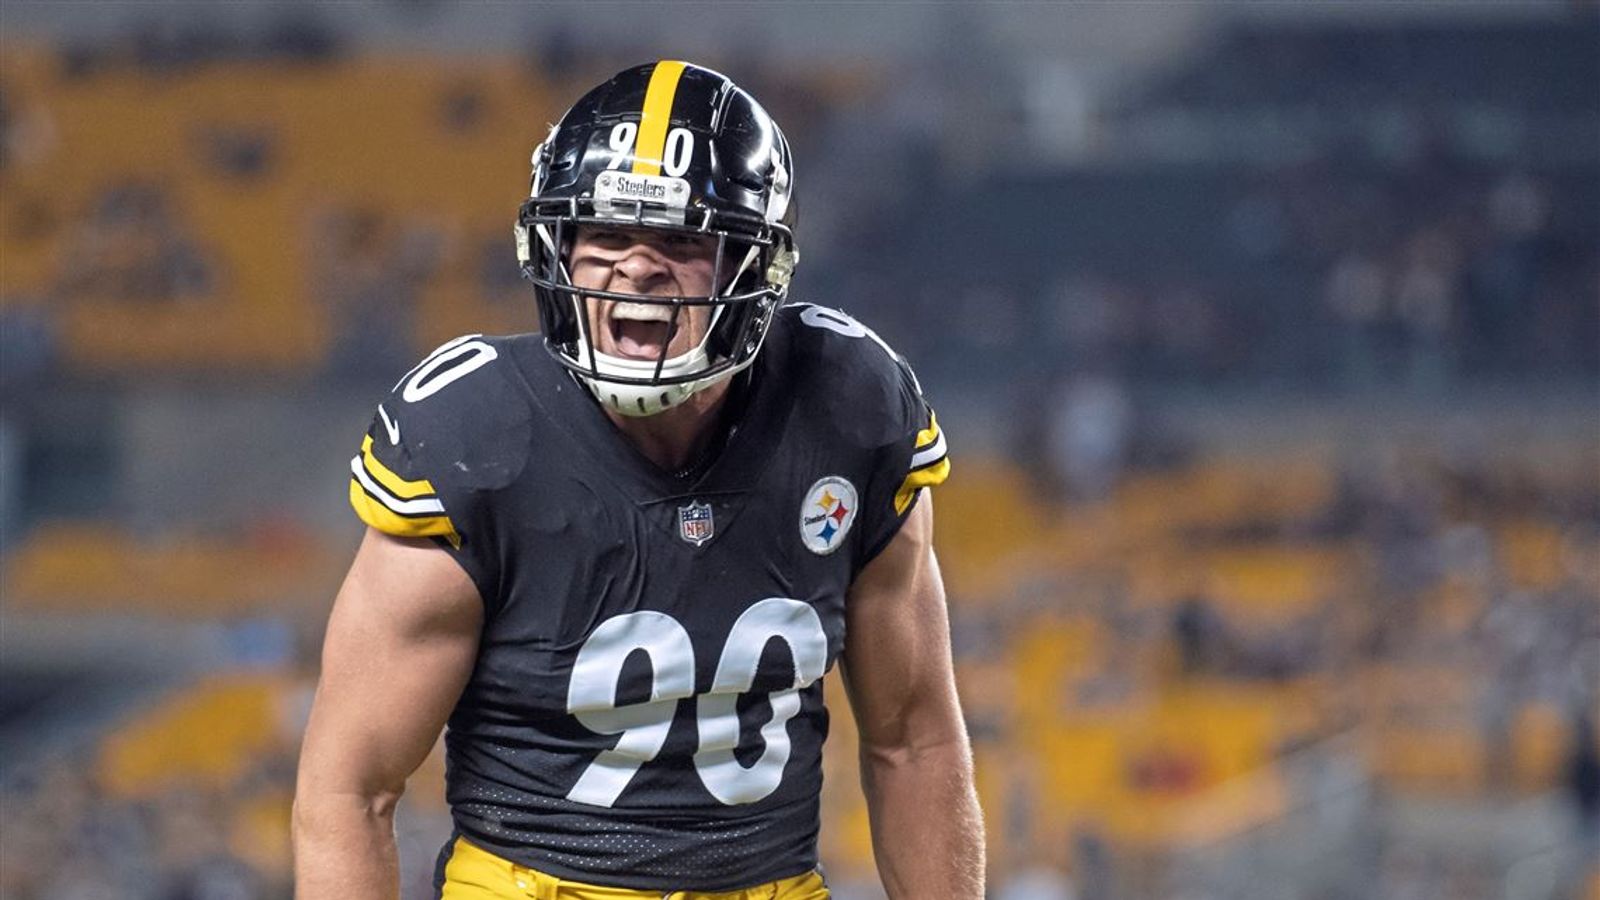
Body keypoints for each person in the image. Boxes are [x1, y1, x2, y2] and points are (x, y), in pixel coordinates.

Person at [293, 60, 985, 899]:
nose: (637, 268)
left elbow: (914, 742)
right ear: (558, 249)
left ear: (752, 266)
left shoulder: (848, 404)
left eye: (682, 241)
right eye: (607, 235)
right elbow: (348, 792)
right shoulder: (476, 437)